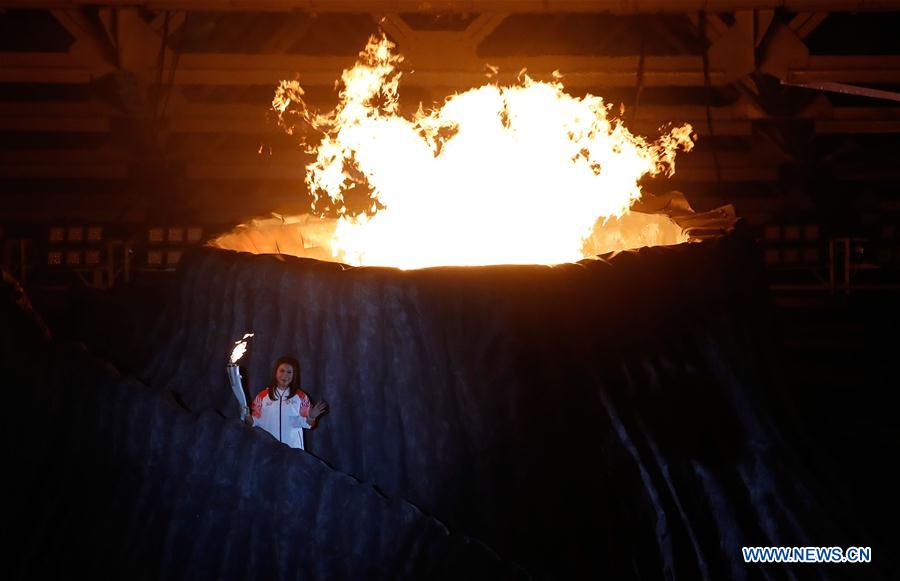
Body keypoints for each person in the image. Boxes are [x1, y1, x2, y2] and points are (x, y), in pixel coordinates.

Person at [243, 355, 328, 450]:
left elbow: (307, 424)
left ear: (294, 375)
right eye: (282, 371)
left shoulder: (301, 397)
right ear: (276, 372)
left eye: (289, 372)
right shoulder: (262, 396)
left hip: (293, 450)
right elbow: (254, 422)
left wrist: (311, 417)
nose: (285, 375)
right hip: (267, 449)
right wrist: (246, 415)